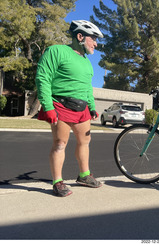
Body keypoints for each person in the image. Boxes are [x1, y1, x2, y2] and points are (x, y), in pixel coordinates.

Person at [35, 20, 103, 197]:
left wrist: (92, 107)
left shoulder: (87, 62)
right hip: (60, 105)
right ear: (80, 37)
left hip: (82, 109)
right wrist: (48, 106)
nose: (96, 43)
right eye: (93, 38)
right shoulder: (56, 51)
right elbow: (43, 78)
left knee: (85, 142)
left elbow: (87, 87)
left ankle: (84, 175)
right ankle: (57, 182)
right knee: (59, 144)